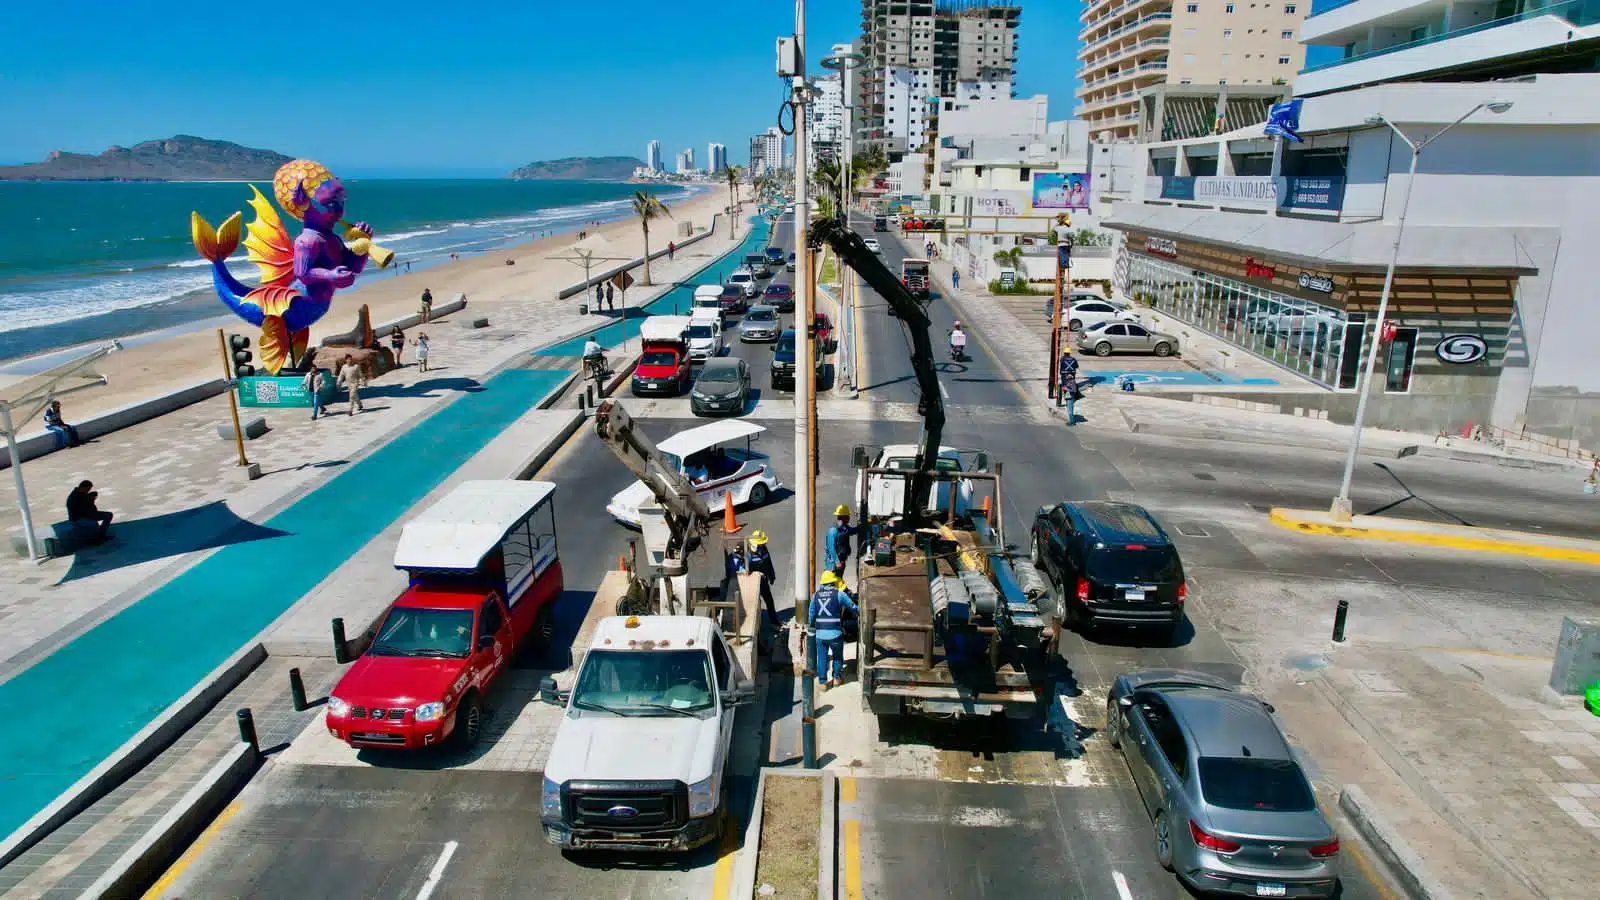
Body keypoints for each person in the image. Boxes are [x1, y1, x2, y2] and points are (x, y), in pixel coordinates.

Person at [808, 571, 858, 690]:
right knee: (837, 656)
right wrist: (860, 614)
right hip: (836, 633)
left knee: (822, 657)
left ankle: (823, 683)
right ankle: (836, 678)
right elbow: (852, 607)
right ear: (833, 582)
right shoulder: (839, 594)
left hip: (820, 634)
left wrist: (812, 625)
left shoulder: (816, 595)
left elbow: (811, 614)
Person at [748, 530, 779, 626]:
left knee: (769, 601)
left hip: (764, 581)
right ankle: (757, 624)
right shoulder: (749, 556)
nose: (763, 545)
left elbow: (768, 563)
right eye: (761, 544)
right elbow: (747, 572)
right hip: (754, 584)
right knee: (755, 605)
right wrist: (756, 574)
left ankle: (774, 621)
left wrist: (772, 576)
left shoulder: (764, 550)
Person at [825, 504, 854, 579]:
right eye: (847, 516)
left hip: (841, 560)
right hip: (833, 564)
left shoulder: (844, 528)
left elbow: (852, 531)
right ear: (842, 517)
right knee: (832, 581)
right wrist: (837, 562)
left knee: (839, 579)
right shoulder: (833, 531)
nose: (849, 518)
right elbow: (831, 548)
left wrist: (862, 527)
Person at [1059, 347, 1081, 422]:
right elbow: (1077, 366)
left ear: (1064, 353)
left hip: (1064, 376)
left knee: (1066, 390)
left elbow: (1061, 367)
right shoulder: (1073, 359)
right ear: (1069, 353)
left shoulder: (1062, 359)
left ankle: (1068, 402)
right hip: (1072, 377)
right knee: (1071, 389)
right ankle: (1070, 399)